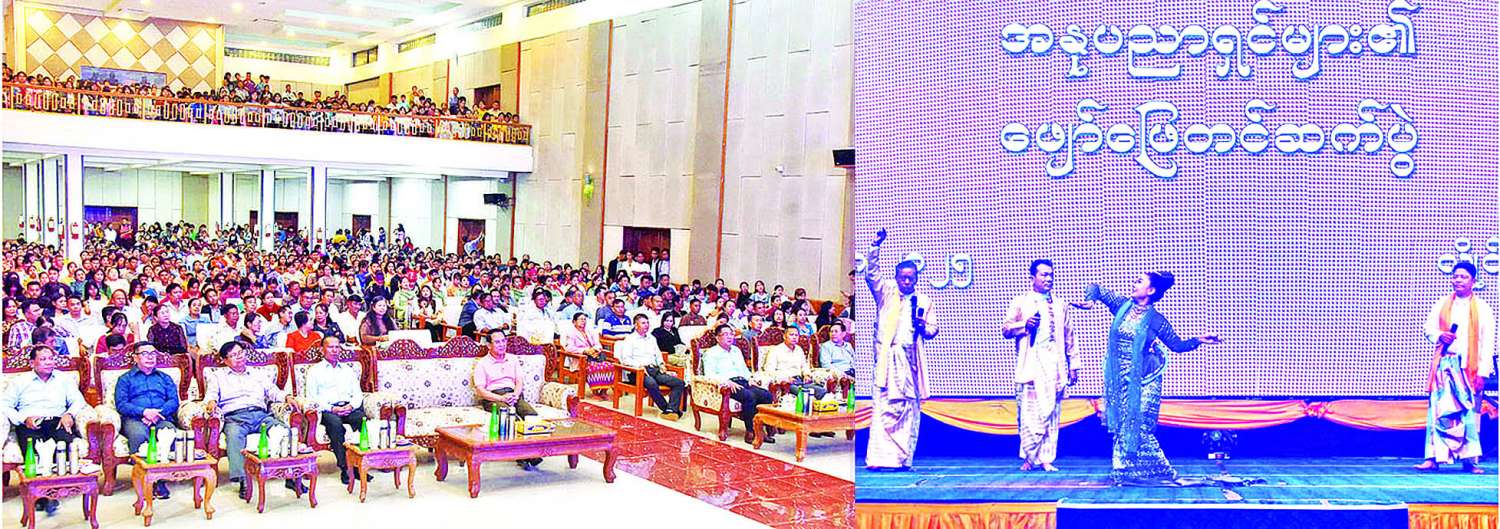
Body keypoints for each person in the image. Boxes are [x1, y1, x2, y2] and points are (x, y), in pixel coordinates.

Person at [1075, 272, 1221, 485]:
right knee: (1123, 423)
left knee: (1140, 424)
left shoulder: (1156, 320)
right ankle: (1124, 471)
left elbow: (1177, 345)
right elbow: (1095, 287)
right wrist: (1090, 301)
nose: (1133, 284)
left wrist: (1198, 339)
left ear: (1150, 290)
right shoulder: (1122, 306)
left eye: (1139, 281)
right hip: (1120, 378)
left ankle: (1160, 470)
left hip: (1146, 378)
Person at [864, 229, 937, 471]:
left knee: (908, 409)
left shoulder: (923, 301)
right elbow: (871, 273)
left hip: (910, 362)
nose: (907, 281)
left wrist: (924, 327)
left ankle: (903, 459)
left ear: (916, 278)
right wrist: (875, 246)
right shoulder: (885, 292)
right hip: (887, 360)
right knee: (884, 407)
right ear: (896, 277)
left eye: (911, 278)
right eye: (903, 277)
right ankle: (879, 459)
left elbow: (933, 330)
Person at [1415, 262, 1495, 473]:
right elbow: (1428, 329)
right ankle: (1432, 458)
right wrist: (1439, 335)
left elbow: (1487, 343)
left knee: (1468, 413)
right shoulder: (1442, 304)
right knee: (1437, 411)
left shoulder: (1483, 309)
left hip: (1469, 368)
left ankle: (1470, 461)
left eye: (1463, 277)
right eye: (1455, 276)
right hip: (1444, 365)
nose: (1458, 280)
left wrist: (1483, 372)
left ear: (1473, 281)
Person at [203, 340, 304, 500]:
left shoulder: (258, 373)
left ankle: (291, 474)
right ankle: (243, 479)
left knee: (284, 431)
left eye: (240, 353)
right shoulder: (217, 376)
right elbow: (211, 395)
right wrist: (211, 403)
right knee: (234, 436)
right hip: (235, 417)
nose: (239, 357)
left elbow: (273, 391)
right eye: (233, 355)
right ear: (225, 360)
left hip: (260, 415)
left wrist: (287, 397)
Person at [1002, 259, 1075, 472]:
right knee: (1030, 414)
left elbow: (1069, 336)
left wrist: (1073, 364)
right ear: (1032, 277)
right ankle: (1029, 456)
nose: (1048, 278)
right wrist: (1023, 325)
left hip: (1055, 364)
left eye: (1051, 274)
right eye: (1043, 274)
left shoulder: (1060, 305)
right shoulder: (1021, 302)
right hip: (1032, 364)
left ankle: (1046, 458)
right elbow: (1006, 329)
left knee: (1051, 412)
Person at [1, 344, 87, 514]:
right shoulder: (19, 381)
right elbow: (4, 404)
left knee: (64, 446)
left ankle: (57, 488)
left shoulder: (63, 379)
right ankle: (41, 496)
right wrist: (23, 419)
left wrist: (69, 414)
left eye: (51, 358)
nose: (49, 362)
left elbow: (78, 401)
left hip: (56, 421)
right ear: (32, 362)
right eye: (43, 359)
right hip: (30, 423)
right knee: (33, 452)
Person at [113, 341, 180, 499]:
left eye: (152, 353)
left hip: (161, 417)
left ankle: (161, 479)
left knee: (169, 432)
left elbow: (173, 401)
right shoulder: (125, 379)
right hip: (136, 419)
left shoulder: (165, 378)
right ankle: (143, 477)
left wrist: (157, 413)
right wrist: (144, 412)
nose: (150, 357)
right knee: (138, 435)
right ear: (135, 357)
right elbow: (121, 404)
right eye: (145, 354)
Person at [471, 329, 543, 467]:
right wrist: (501, 398)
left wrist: (515, 395)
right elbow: (480, 390)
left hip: (513, 395)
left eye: (503, 341)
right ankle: (523, 455)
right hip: (493, 397)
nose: (502, 345)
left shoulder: (513, 359)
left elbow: (519, 381)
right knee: (511, 418)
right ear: (489, 345)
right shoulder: (482, 364)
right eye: (497, 342)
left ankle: (533, 452)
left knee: (532, 416)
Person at [305, 336, 367, 483]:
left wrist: (351, 406)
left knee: (361, 420)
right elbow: (312, 397)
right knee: (335, 424)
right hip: (328, 410)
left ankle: (360, 465)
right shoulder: (314, 371)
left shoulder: (347, 370)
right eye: (331, 347)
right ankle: (345, 468)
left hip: (348, 407)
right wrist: (332, 408)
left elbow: (358, 393)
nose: (335, 350)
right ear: (322, 350)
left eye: (337, 347)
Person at [701, 324, 775, 444]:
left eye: (731, 334)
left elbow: (743, 369)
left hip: (742, 381)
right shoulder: (711, 353)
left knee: (766, 395)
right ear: (717, 338)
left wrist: (750, 378)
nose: (729, 337)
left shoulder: (736, 350)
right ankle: (751, 432)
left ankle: (761, 430)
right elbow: (709, 374)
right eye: (725, 334)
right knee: (749, 396)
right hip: (728, 384)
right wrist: (727, 382)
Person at [615, 314, 686, 419]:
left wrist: (661, 364)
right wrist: (639, 366)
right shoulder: (630, 339)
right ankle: (667, 409)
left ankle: (670, 409)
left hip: (654, 370)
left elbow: (658, 355)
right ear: (636, 325)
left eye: (647, 323)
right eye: (643, 323)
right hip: (637, 372)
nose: (646, 325)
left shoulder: (651, 338)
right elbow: (625, 359)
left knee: (679, 382)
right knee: (651, 383)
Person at [561, 312, 615, 392]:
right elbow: (569, 348)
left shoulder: (590, 331)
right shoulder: (570, 333)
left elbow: (598, 344)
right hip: (581, 359)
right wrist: (584, 351)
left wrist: (595, 350)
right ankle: (595, 392)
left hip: (595, 357)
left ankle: (603, 391)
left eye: (584, 319)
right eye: (581, 319)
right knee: (594, 368)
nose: (583, 321)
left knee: (610, 366)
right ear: (574, 322)